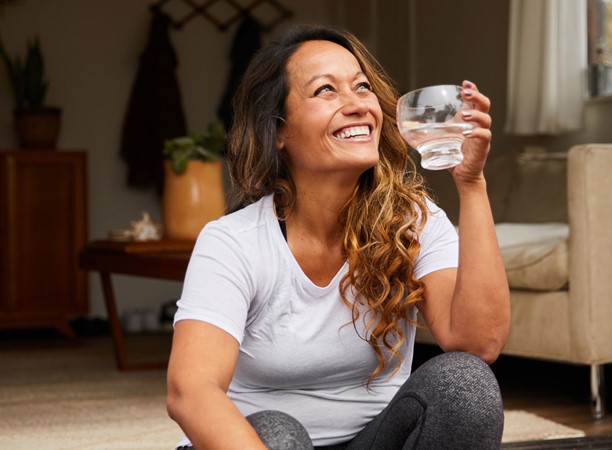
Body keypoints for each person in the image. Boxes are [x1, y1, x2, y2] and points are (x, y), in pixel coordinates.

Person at [166, 23, 510, 450]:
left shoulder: (413, 222)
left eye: (362, 86)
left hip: (370, 440)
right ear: (278, 132)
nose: (357, 104)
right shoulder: (233, 242)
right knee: (278, 433)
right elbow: (189, 393)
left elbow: (478, 343)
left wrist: (472, 184)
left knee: (465, 384)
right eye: (326, 90)